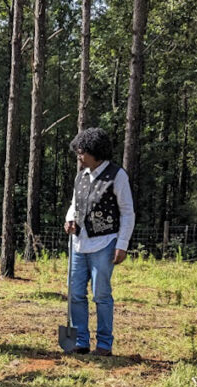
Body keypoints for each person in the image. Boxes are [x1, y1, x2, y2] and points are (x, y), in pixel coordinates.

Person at [64, 127, 135, 356]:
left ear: (96, 152)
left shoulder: (117, 175)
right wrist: (69, 220)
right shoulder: (81, 176)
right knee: (75, 293)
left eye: (82, 151)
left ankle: (104, 344)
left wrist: (122, 244)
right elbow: (74, 204)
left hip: (104, 243)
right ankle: (80, 341)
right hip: (79, 243)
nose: (79, 155)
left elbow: (127, 212)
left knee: (101, 294)